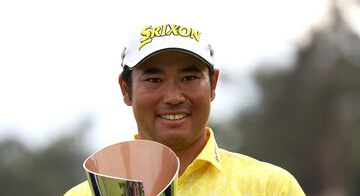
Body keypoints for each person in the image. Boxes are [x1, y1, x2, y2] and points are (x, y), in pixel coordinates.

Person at [64, 23, 305, 196]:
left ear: (213, 85)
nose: (173, 97)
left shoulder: (270, 188)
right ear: (126, 89)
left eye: (189, 77)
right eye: (154, 80)